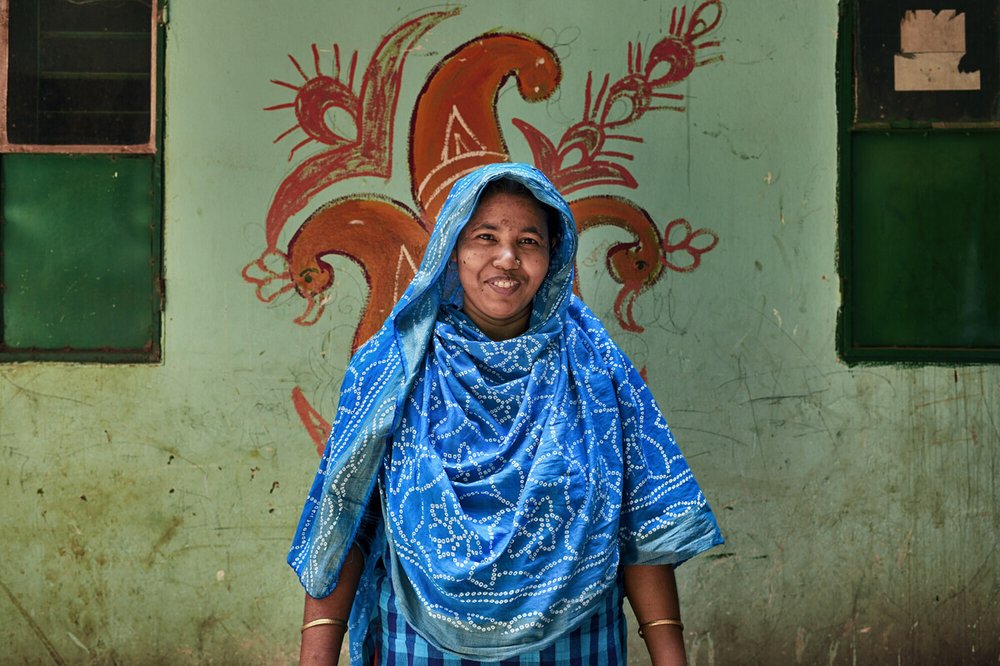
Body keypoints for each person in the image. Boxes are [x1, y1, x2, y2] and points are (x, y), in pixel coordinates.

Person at [288, 162, 723, 666]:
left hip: (576, 646)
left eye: (530, 241)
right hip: (421, 648)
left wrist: (671, 657)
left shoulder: (595, 368)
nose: (507, 259)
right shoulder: (393, 367)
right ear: (453, 247)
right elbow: (344, 521)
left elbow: (638, 521)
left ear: (554, 253)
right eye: (485, 237)